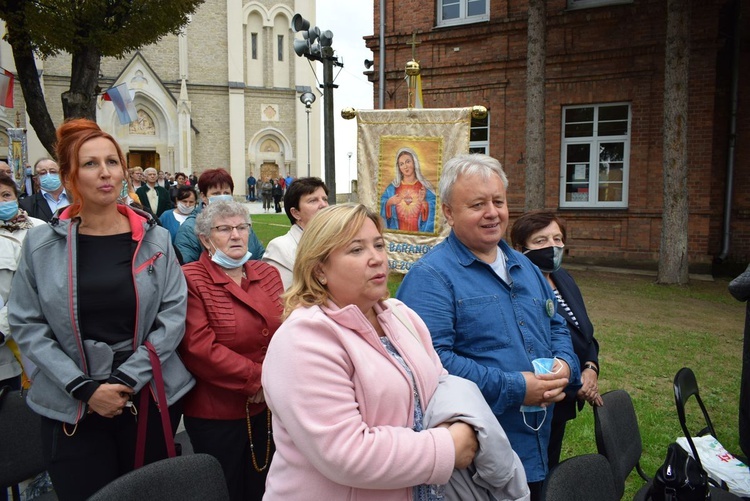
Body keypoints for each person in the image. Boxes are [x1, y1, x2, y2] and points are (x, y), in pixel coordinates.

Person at [8, 119, 195, 501]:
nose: (105, 172)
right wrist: (84, 388)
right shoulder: (40, 244)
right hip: (71, 402)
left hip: (144, 395)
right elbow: (27, 323)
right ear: (69, 175)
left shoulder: (155, 238)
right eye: (91, 163)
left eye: (112, 161)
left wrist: (127, 379)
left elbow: (173, 315)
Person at [262, 203, 479, 500]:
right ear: (319, 270)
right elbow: (346, 453)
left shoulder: (401, 315)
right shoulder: (303, 340)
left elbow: (440, 382)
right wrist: (446, 447)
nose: (376, 258)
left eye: (378, 245)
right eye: (356, 250)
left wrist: (460, 420)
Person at [396, 153, 579, 500]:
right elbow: (431, 364)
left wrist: (566, 365)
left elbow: (556, 324)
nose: (492, 212)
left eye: (498, 201)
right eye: (477, 204)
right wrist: (514, 387)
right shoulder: (431, 278)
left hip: (540, 440)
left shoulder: (524, 266)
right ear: (448, 212)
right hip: (483, 457)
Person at [179, 201, 283, 501]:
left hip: (271, 406)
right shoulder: (190, 278)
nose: (236, 235)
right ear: (205, 239)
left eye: (242, 228)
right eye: (224, 229)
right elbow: (199, 348)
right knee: (226, 490)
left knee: (267, 487)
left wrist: (273, 383)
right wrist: (258, 380)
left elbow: (289, 329)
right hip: (218, 413)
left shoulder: (266, 272)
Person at [510, 210, 602, 468]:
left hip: (566, 397)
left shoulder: (563, 278)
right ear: (519, 248)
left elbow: (585, 334)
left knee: (550, 465)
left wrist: (591, 368)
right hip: (542, 398)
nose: (552, 247)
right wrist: (576, 382)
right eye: (540, 241)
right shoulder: (518, 288)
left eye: (557, 239)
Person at [0, 173, 46, 390]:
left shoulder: (40, 228)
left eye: (6, 195)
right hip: (6, 349)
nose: (2, 202)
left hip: (41, 335)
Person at [174, 168, 265, 264]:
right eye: (216, 193)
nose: (222, 197)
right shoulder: (189, 228)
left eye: (226, 193)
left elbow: (259, 255)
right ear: (204, 197)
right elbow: (186, 268)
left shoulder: (242, 222)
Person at [262, 177, 329, 289]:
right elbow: (284, 300)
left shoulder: (337, 241)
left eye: (325, 199)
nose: (323, 205)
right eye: (313, 200)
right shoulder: (280, 248)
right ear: (296, 213)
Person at [380, 147, 437, 233]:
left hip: (419, 239)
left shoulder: (424, 187)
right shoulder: (392, 188)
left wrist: (424, 202)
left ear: (414, 162)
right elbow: (381, 206)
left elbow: (435, 209)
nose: (405, 166)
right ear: (398, 167)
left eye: (408, 162)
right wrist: (389, 203)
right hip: (397, 239)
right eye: (401, 164)